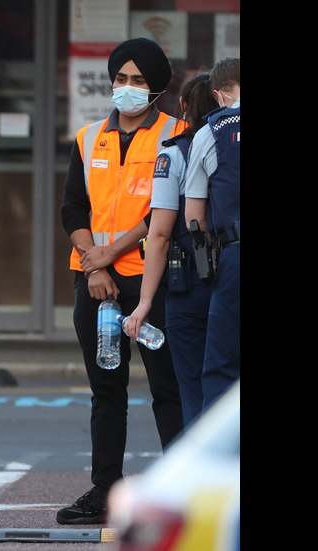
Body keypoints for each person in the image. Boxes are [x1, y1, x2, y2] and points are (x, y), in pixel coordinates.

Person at [58, 38, 184, 525]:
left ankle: (179, 493)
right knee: (106, 391)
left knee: (166, 389)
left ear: (155, 89)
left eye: (137, 80)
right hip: (96, 284)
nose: (126, 88)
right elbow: (72, 205)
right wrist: (97, 265)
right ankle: (105, 490)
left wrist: (110, 254)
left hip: (151, 283)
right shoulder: (89, 138)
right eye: (120, 79)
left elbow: (161, 210)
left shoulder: (177, 134)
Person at [123, 73, 217, 427]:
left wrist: (145, 302)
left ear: (182, 108)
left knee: (191, 388)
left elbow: (159, 235)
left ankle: (203, 478)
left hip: (190, 284)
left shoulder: (174, 156)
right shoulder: (231, 150)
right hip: (231, 276)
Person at [183, 58, 240, 410]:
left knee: (221, 369)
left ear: (217, 94)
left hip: (234, 256)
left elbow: (194, 218)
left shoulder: (210, 132)